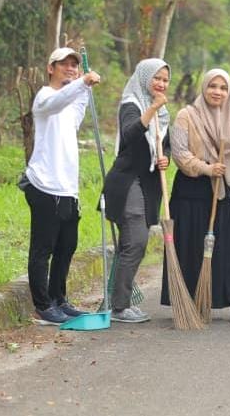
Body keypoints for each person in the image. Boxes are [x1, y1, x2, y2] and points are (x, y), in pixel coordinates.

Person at [162, 69, 230, 323]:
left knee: (229, 246)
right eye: (212, 86)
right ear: (204, 88)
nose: (218, 92)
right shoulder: (186, 115)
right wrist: (207, 168)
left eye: (223, 87)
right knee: (191, 245)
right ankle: (192, 299)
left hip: (221, 189)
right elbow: (180, 153)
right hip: (191, 190)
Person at [21, 47, 102, 325]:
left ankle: (59, 299)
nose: (70, 68)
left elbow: (76, 105)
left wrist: (85, 88)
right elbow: (58, 101)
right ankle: (42, 306)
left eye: (74, 65)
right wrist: (82, 82)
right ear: (50, 68)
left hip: (68, 188)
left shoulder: (70, 103)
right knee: (43, 249)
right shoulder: (44, 97)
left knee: (67, 246)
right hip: (44, 186)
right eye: (63, 64)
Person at [102, 59, 172, 323]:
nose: (161, 84)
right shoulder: (131, 104)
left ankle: (119, 301)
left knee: (131, 244)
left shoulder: (163, 114)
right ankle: (120, 307)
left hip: (146, 185)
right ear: (144, 77)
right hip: (126, 182)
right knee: (137, 241)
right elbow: (129, 133)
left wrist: (165, 158)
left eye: (165, 80)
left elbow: (165, 145)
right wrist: (152, 108)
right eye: (157, 78)